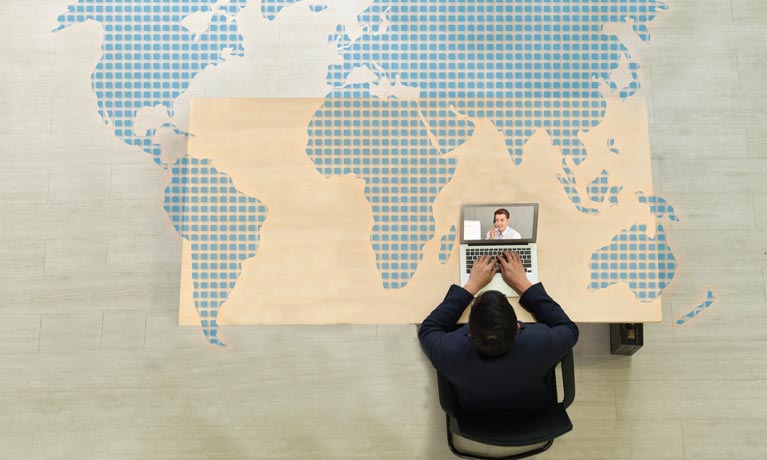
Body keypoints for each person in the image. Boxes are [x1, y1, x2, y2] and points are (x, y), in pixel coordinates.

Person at [418, 251, 579, 418]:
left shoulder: (448, 351)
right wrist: (523, 283)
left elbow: (429, 328)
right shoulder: (541, 343)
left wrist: (471, 286)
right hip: (531, 411)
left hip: (474, 415)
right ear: (517, 327)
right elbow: (569, 328)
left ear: (470, 333)